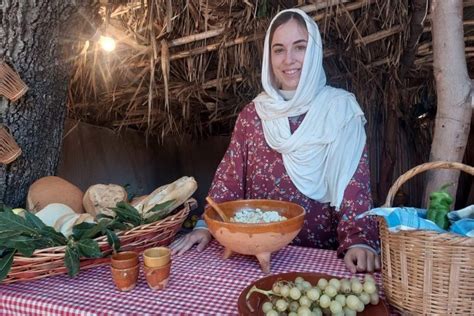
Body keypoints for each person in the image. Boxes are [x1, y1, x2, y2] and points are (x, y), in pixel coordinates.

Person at [171, 8, 380, 273]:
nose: (289, 60)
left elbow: (354, 184)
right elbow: (230, 178)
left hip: (318, 258)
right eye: (279, 49)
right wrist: (206, 225)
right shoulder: (254, 114)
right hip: (251, 254)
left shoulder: (340, 110)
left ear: (315, 52)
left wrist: (359, 241)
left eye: (300, 47)